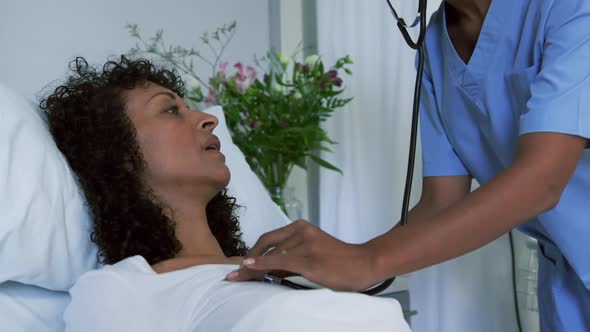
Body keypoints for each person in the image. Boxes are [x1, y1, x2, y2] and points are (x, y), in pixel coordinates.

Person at [228, 0, 590, 330]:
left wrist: (367, 260)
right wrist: (335, 258)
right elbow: (441, 202)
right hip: (567, 285)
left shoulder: (568, 9)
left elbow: (543, 179)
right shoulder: (434, 46)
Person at [41, 56, 408, 332]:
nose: (208, 118)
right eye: (170, 110)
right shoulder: (119, 290)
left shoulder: (285, 272)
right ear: (118, 154)